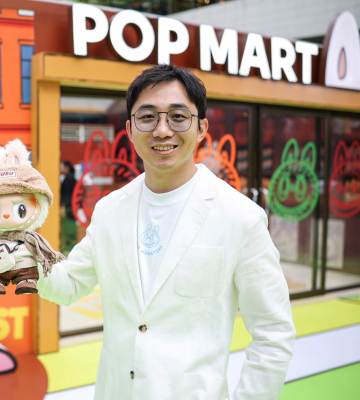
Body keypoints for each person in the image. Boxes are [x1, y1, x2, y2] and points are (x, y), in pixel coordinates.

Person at [37, 64, 295, 400]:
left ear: (201, 128)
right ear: (130, 129)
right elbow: (69, 284)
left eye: (178, 117)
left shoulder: (240, 217)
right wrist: (20, 251)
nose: (162, 130)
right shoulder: (110, 210)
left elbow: (273, 334)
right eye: (147, 117)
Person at [60, 160, 77, 254]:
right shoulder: (70, 178)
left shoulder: (69, 179)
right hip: (71, 207)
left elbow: (67, 195)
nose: (60, 168)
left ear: (67, 168)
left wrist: (63, 206)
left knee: (68, 227)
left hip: (68, 208)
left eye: (62, 166)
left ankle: (68, 249)